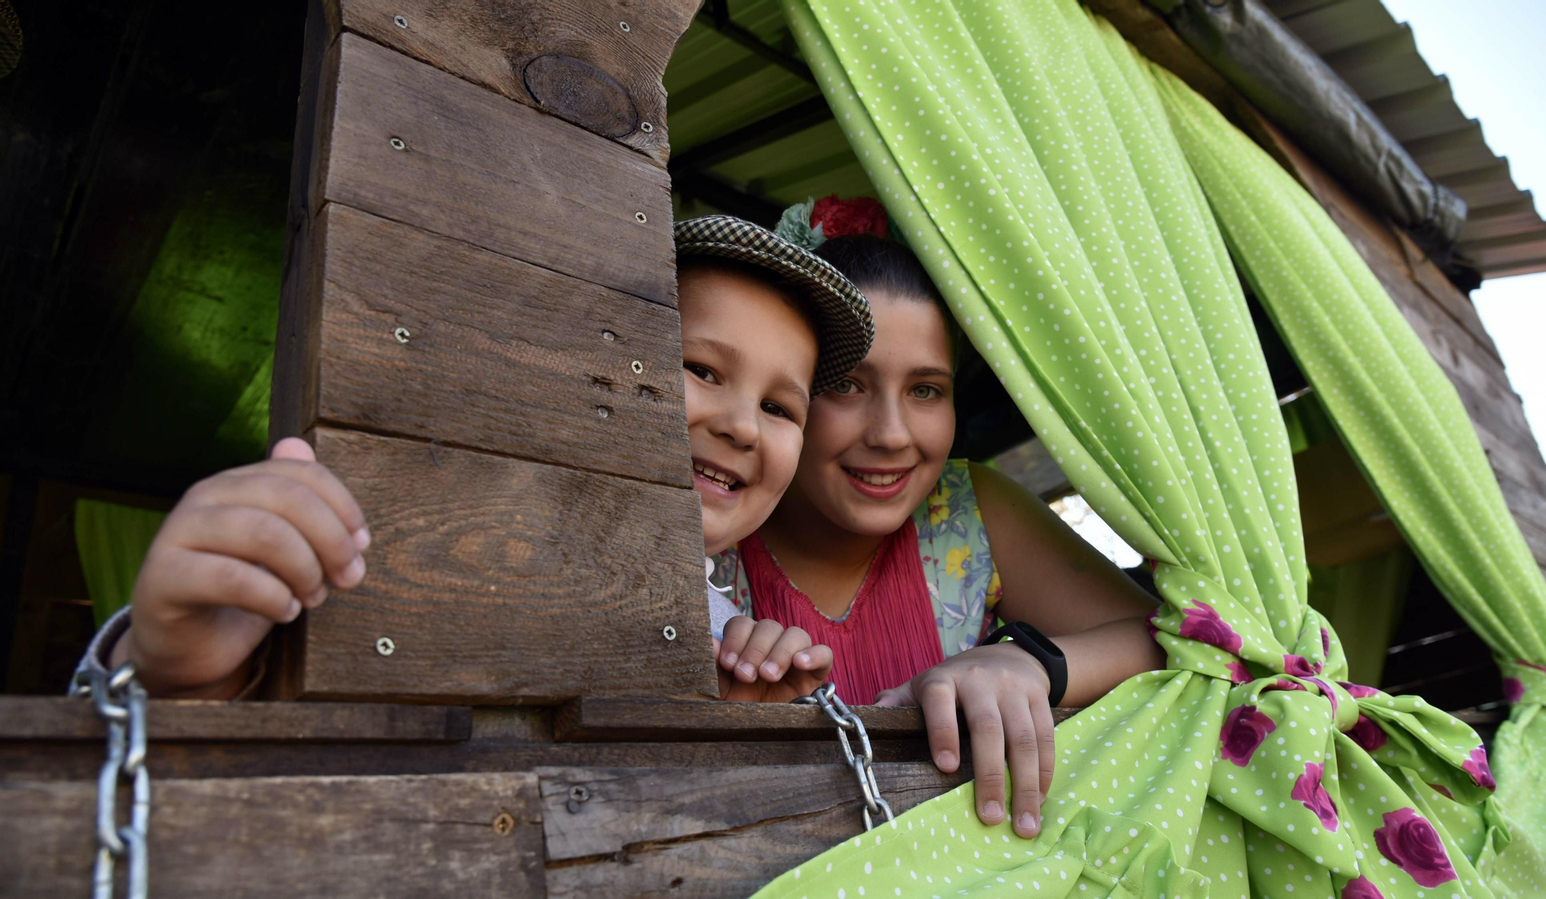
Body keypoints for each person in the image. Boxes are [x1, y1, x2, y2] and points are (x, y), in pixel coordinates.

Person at [74, 215, 874, 705]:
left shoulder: (740, 643)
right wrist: (175, 673)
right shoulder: (420, 543)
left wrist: (731, 724)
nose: (740, 423)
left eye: (780, 407)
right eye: (700, 369)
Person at [713, 196, 1167, 837]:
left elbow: (1175, 638)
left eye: (926, 389)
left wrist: (1030, 661)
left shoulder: (967, 506)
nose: (893, 434)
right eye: (846, 385)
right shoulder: (711, 520)